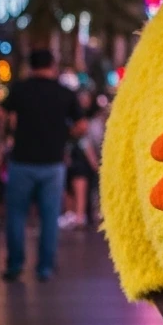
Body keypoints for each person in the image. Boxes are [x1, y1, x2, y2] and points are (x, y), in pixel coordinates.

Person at [0, 50, 85, 282]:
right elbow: (81, 126)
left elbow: (0, 115)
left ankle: (15, 265)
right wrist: (63, 133)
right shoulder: (64, 93)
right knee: (49, 218)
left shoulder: (19, 89)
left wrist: (5, 140)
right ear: (52, 65)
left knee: (16, 215)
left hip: (21, 161)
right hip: (53, 164)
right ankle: (44, 268)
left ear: (30, 66)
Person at [61, 88, 100, 229]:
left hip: (82, 160)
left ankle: (80, 215)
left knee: (81, 186)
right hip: (76, 157)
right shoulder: (75, 117)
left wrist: (93, 161)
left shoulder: (89, 120)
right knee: (73, 186)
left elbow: (87, 142)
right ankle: (75, 214)